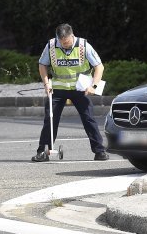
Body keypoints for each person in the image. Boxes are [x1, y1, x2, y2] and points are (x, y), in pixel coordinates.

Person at [31, 23, 109, 162]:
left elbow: (99, 66)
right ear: (57, 38)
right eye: (62, 43)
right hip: (58, 89)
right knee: (50, 119)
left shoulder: (84, 46)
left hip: (79, 89)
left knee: (88, 119)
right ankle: (43, 151)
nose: (64, 45)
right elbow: (42, 64)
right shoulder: (51, 46)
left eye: (67, 42)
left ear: (72, 36)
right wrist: (46, 82)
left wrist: (94, 86)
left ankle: (99, 151)